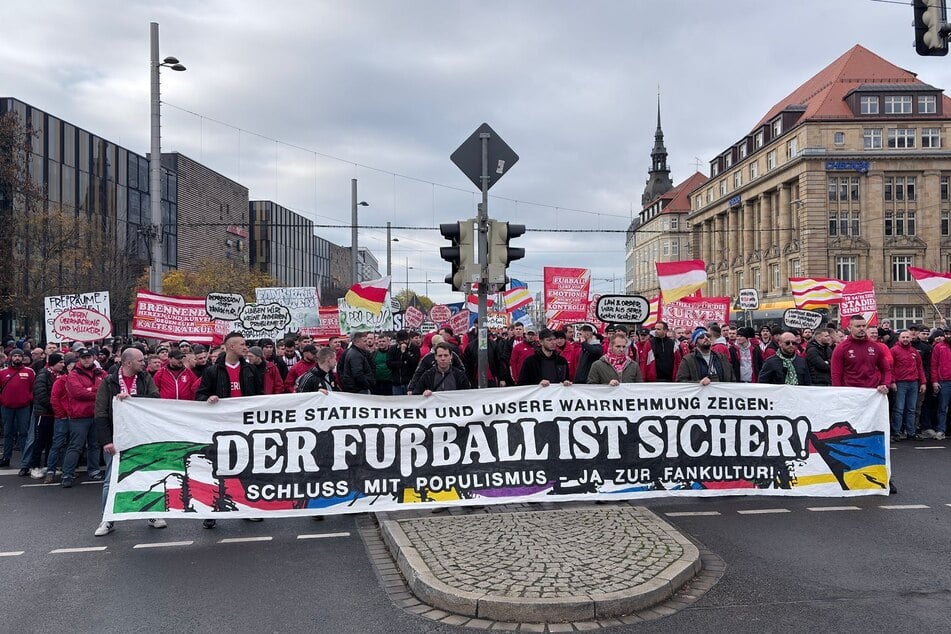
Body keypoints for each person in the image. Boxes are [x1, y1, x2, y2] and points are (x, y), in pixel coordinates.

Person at [93, 346, 165, 536]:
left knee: (148, 474)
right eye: (140, 360)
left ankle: (152, 513)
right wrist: (106, 441)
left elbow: (155, 398)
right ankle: (107, 518)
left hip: (141, 436)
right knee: (111, 479)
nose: (144, 363)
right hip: (117, 438)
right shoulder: (108, 382)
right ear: (127, 363)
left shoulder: (145, 378)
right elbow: (100, 413)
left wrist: (133, 399)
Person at [195, 332, 263, 528]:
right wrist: (208, 399)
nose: (245, 347)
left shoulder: (250, 369)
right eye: (242, 344)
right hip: (220, 427)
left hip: (244, 427)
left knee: (245, 468)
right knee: (217, 469)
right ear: (231, 347)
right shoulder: (212, 371)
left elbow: (260, 396)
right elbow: (200, 395)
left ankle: (246, 508)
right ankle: (211, 510)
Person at [61, 349, 106, 487]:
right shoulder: (73, 374)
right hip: (79, 416)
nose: (86, 360)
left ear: (93, 358)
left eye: (88, 357)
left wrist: (89, 390)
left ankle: (94, 470)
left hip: (96, 415)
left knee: (95, 445)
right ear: (79, 359)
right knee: (75, 446)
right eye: (83, 357)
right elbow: (77, 393)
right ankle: (67, 474)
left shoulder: (101, 373)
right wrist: (96, 391)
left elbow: (106, 389)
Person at [23, 352, 64, 479]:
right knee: (40, 440)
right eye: (60, 362)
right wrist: (54, 407)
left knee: (51, 440)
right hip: (43, 413)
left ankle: (48, 465)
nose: (63, 365)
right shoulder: (43, 374)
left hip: (54, 413)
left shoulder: (59, 375)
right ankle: (34, 466)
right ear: (53, 363)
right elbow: (41, 395)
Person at [831, 316, 892, 394]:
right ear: (850, 328)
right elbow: (836, 373)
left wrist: (885, 384)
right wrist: (838, 392)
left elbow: (886, 369)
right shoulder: (841, 348)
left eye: (864, 326)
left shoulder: (875, 346)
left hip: (872, 392)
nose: (862, 328)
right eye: (858, 326)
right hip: (850, 392)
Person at [0, 349, 36, 471]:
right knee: (8, 433)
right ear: (10, 357)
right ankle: (6, 457)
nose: (17, 358)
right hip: (6, 407)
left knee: (24, 433)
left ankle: (26, 460)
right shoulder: (3, 372)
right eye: (15, 356)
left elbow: (33, 388)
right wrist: (3, 400)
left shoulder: (29, 372)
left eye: (19, 356)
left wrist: (28, 398)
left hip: (23, 407)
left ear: (22, 358)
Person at [889, 330, 926, 442]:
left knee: (912, 409)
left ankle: (911, 432)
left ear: (910, 339)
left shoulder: (914, 351)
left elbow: (920, 368)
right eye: (903, 337)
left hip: (913, 383)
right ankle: (896, 432)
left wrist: (923, 382)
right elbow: (890, 367)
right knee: (899, 409)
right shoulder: (894, 350)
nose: (905, 339)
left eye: (907, 337)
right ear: (899, 338)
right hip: (900, 383)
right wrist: (892, 381)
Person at [387, 330, 420, 395]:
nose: (403, 342)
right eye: (401, 341)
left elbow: (414, 362)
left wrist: (404, 353)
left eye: (405, 340)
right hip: (397, 383)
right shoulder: (393, 349)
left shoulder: (414, 348)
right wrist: (401, 363)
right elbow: (389, 363)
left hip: (409, 382)